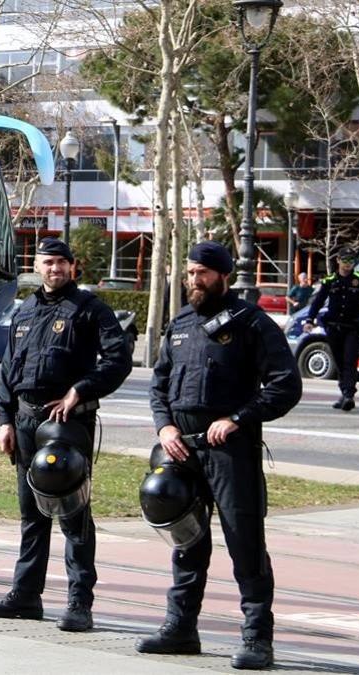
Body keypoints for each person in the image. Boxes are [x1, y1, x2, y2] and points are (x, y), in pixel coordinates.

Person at [142, 241, 301, 670]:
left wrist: (237, 418)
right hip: (182, 448)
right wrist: (166, 426)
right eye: (190, 272)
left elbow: (286, 384)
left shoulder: (251, 323)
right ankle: (180, 629)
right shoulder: (179, 324)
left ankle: (257, 638)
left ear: (223, 275)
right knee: (186, 541)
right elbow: (158, 386)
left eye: (202, 273)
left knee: (244, 543)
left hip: (230, 451)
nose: (194, 280)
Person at [0, 237, 132, 631]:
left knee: (73, 516)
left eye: (61, 263)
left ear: (73, 266)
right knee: (31, 515)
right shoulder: (25, 310)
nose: (54, 270)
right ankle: (25, 595)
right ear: (36, 266)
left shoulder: (89, 309)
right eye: (47, 263)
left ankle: (79, 603)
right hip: (25, 423)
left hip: (66, 425)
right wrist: (5, 420)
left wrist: (81, 390)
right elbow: (7, 371)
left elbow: (119, 359)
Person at [303, 248, 359, 411]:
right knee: (340, 361)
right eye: (345, 260)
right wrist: (309, 319)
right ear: (338, 261)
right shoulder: (330, 281)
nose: (348, 264)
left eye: (351, 261)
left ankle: (349, 394)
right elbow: (318, 302)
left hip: (353, 328)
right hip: (334, 327)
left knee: (350, 360)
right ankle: (344, 393)